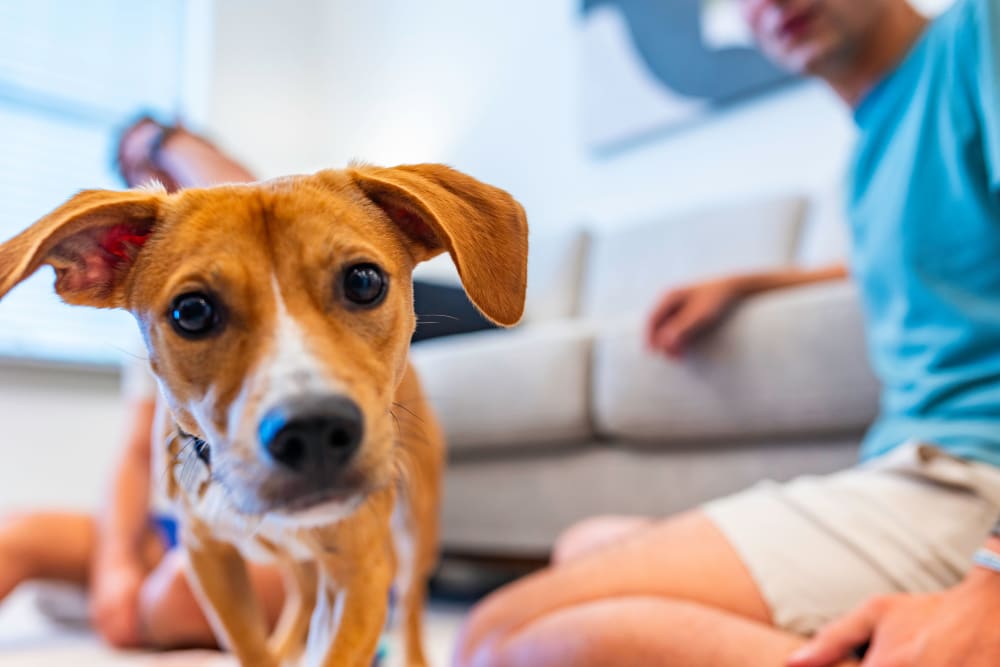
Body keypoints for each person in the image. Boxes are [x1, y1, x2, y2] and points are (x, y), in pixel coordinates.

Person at [455, 0, 1000, 665]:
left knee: (501, 643)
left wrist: (991, 580)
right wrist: (752, 282)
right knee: (586, 541)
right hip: (902, 471)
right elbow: (906, 259)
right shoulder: (867, 155)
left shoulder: (981, 36)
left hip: (970, 481)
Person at [0, 118, 493, 651]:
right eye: (196, 313)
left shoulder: (306, 216)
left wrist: (171, 148)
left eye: (360, 284)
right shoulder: (159, 275)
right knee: (14, 537)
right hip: (209, 491)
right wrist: (115, 562)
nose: (159, 173)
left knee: (180, 598)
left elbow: (247, 198)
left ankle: (406, 626)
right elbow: (136, 454)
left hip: (309, 517)